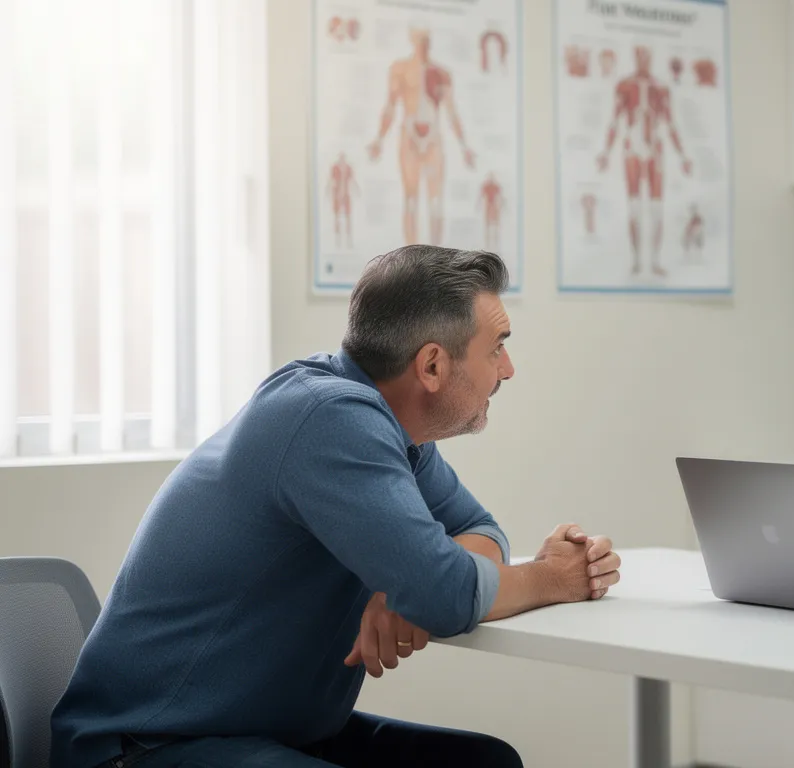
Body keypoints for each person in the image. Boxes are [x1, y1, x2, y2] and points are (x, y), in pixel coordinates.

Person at [51, 247, 621, 768]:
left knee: (487, 762)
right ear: (431, 366)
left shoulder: (392, 426)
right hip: (147, 746)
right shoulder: (331, 417)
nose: (508, 369)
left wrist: (404, 580)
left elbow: (478, 529)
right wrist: (550, 578)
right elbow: (445, 594)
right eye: (496, 348)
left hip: (262, 733)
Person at [368, 28, 476, 246]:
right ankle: (411, 262)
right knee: (411, 198)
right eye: (419, 39)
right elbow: (390, 106)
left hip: (433, 137)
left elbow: (451, 111)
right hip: (410, 135)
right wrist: (379, 139)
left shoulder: (441, 73)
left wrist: (464, 146)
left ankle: (437, 265)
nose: (423, 44)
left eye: (426, 39)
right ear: (412, 39)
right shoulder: (400, 69)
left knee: (435, 200)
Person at [596, 45, 692, 277]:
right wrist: (606, 152)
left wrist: (682, 156)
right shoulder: (625, 86)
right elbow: (615, 120)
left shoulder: (661, 88)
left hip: (655, 148)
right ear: (635, 57)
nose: (644, 59)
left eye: (647, 55)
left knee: (657, 208)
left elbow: (669, 123)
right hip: (633, 146)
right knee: (635, 207)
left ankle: (656, 260)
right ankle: (638, 260)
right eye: (640, 55)